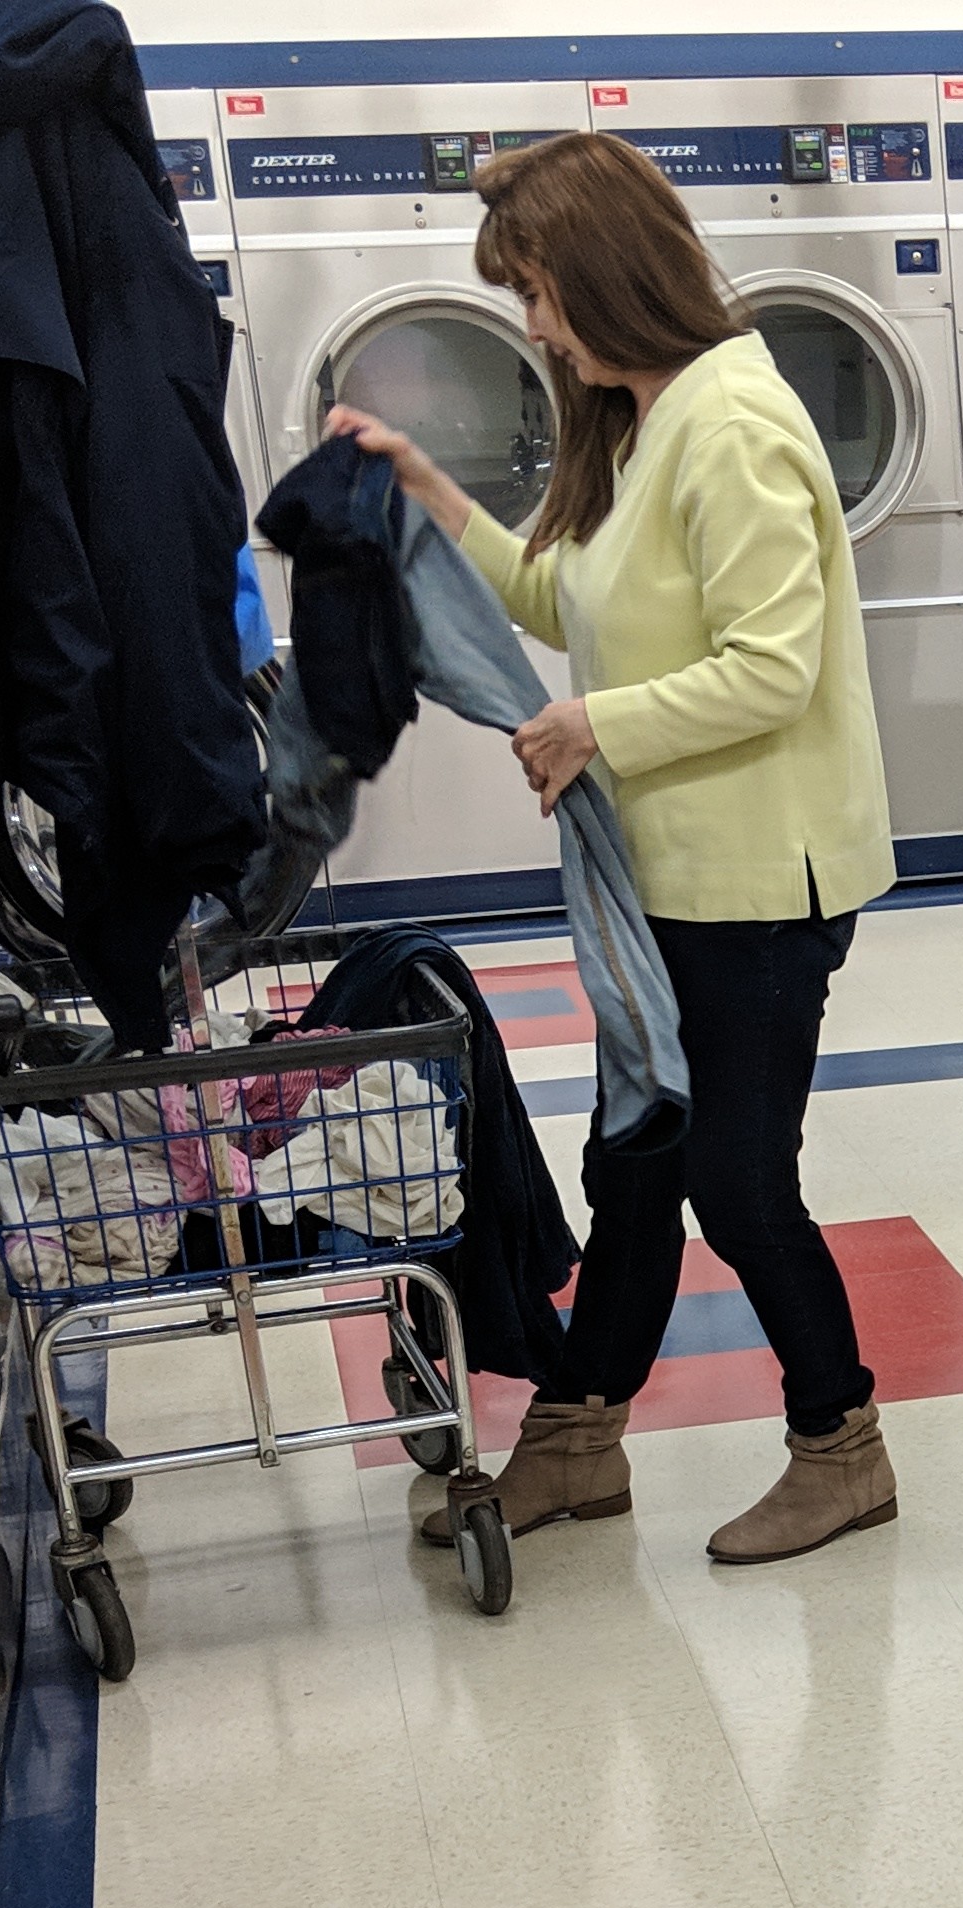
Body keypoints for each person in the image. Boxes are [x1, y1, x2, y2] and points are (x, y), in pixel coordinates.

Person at [333, 129, 899, 1565]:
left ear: (604, 273)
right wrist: (428, 491)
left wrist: (596, 724)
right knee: (633, 1169)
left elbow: (774, 665)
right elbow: (559, 595)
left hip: (759, 882)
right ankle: (579, 1442)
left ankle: (842, 1446)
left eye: (536, 291)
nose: (532, 324)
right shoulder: (643, 421)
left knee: (737, 1184)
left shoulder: (734, 422)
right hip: (659, 884)